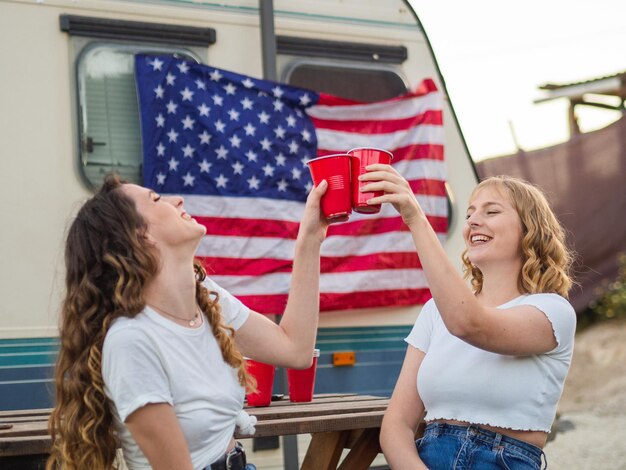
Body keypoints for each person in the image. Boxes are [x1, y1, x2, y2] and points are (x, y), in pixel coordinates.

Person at [47, 174, 329, 470]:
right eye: (156, 199)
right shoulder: (131, 341)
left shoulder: (205, 297)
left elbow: (295, 349)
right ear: (139, 236)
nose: (177, 200)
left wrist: (310, 237)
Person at [367, 167, 576, 470]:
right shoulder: (434, 312)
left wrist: (415, 218)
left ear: (530, 231)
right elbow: (396, 425)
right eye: (469, 214)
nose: (473, 221)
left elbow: (468, 324)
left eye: (491, 212)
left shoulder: (553, 311)